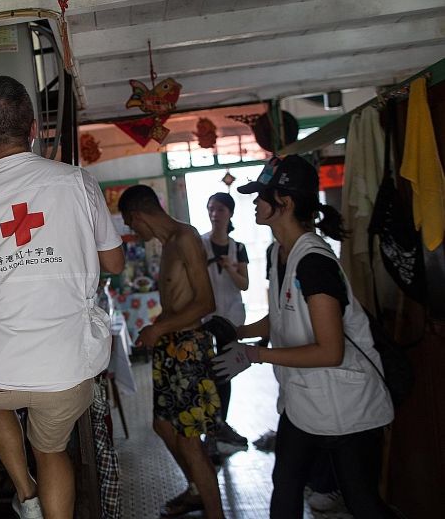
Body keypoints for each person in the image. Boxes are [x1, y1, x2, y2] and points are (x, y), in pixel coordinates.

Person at [0, 75, 124, 519]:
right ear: (33, 128)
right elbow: (116, 263)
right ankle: (39, 490)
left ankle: (26, 496)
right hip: (65, 369)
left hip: (0, 369)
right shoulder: (77, 183)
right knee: (52, 451)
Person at [211, 155, 395, 518]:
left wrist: (257, 355)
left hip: (347, 407)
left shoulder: (315, 263)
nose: (254, 203)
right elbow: (281, 315)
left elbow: (330, 351)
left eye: (261, 196)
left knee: (362, 502)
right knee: (286, 485)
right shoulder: (278, 252)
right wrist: (239, 333)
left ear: (285, 203)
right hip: (304, 403)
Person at [118, 184, 225, 519]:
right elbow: (179, 301)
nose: (134, 232)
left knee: (190, 440)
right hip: (170, 348)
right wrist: (156, 326)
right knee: (163, 426)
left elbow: (206, 302)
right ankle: (196, 490)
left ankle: (215, 512)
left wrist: (159, 328)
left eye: (132, 225)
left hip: (189, 348)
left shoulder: (185, 238)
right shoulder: (167, 245)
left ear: (138, 215)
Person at [201, 192, 249, 449]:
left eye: (219, 209)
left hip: (231, 317)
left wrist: (231, 267)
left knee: (225, 372)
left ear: (229, 212)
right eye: (211, 209)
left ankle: (222, 424)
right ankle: (211, 427)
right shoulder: (200, 244)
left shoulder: (238, 248)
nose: (214, 214)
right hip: (206, 318)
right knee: (207, 372)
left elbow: (245, 284)